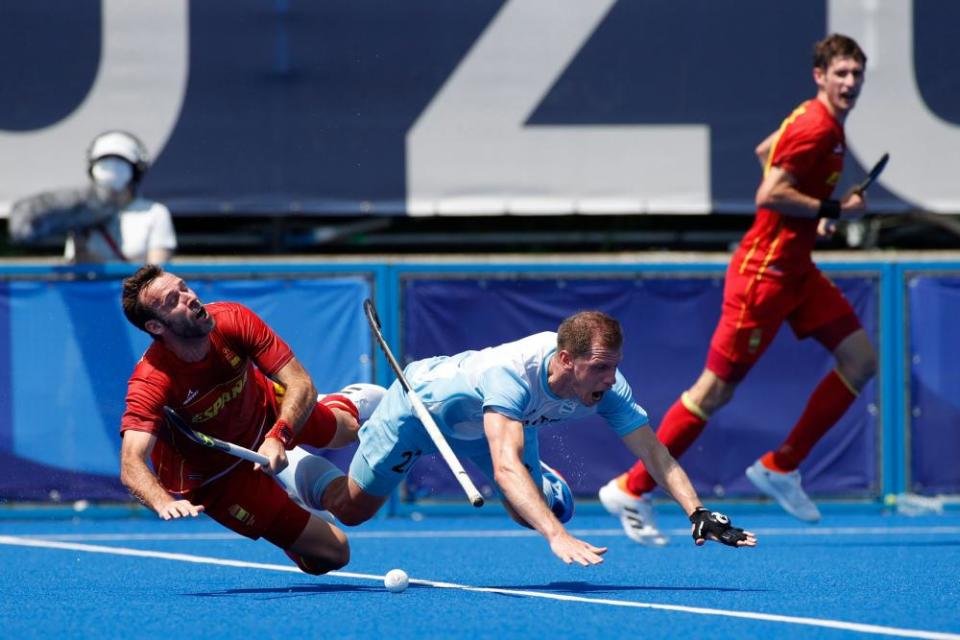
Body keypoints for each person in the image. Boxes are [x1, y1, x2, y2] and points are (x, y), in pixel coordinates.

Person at [599, 33, 878, 544]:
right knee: (714, 391)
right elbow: (770, 191)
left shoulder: (819, 123)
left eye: (857, 75)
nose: (850, 83)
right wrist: (833, 210)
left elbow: (764, 151)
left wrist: (808, 220)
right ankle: (631, 488)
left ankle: (782, 466)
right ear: (820, 76)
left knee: (861, 360)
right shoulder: (816, 126)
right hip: (763, 276)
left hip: (797, 270)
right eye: (841, 73)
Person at [275, 310, 757, 566]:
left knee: (528, 510)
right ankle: (345, 422)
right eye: (601, 368)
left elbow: (653, 451)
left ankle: (542, 493)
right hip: (421, 408)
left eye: (614, 366)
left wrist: (696, 510)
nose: (611, 379)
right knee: (349, 510)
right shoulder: (512, 375)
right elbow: (504, 466)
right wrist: (557, 535)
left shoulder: (606, 385)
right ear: (566, 360)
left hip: (488, 429)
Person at [118, 264, 385, 575]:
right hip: (216, 478)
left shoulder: (232, 319)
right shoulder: (151, 380)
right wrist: (162, 502)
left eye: (184, 287)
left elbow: (300, 383)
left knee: (347, 431)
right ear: (155, 326)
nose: (189, 297)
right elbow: (131, 463)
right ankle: (293, 488)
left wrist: (279, 435)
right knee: (334, 554)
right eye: (172, 300)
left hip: (265, 411)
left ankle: (343, 404)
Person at [9, 130, 177, 263]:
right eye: (106, 163)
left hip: (137, 304)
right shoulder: (83, 212)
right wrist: (82, 248)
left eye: (119, 163)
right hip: (94, 302)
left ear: (135, 171)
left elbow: (158, 276)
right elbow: (77, 267)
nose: (113, 172)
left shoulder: (155, 213)